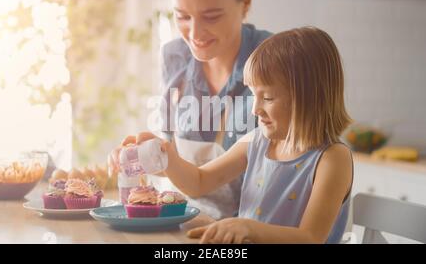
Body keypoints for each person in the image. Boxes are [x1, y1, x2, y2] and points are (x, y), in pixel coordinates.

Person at [122, 27, 354, 243]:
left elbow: (310, 237)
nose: (255, 109)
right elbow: (199, 182)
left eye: (269, 98)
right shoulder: (258, 140)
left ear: (309, 98)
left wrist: (249, 228)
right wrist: (168, 156)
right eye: (254, 95)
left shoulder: (332, 158)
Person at [110, 0, 272, 220]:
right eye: (182, 16)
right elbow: (171, 158)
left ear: (245, 2)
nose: (195, 34)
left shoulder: (278, 61)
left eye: (212, 16)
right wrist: (140, 155)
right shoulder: (174, 57)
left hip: (251, 232)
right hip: (184, 224)